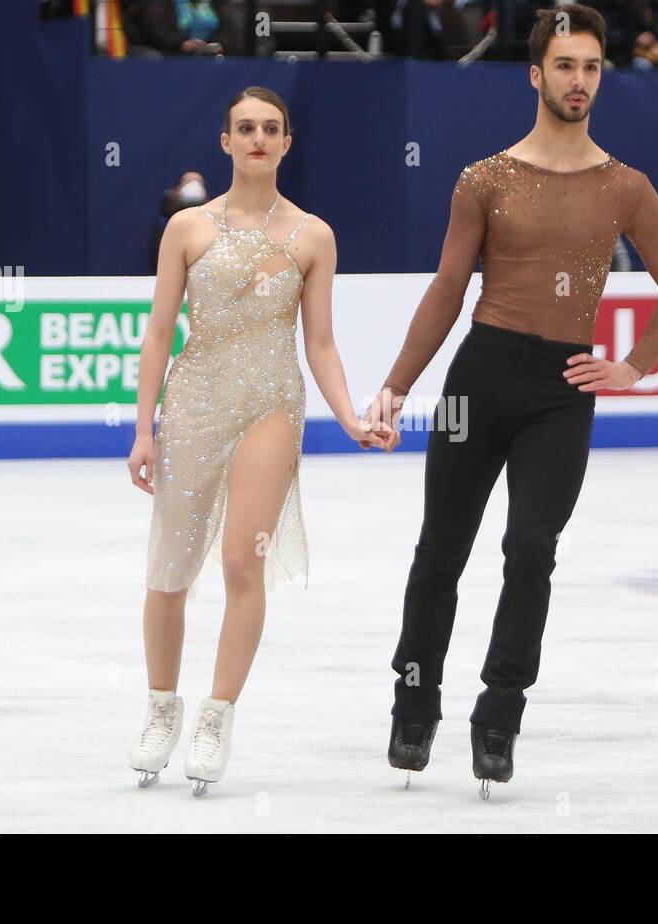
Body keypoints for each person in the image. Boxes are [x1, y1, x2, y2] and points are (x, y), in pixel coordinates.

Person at [368, 4, 658, 797]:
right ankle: (414, 700)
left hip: (563, 389)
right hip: (478, 377)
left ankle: (500, 712)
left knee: (531, 551)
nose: (579, 80)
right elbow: (449, 288)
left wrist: (635, 365)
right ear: (535, 75)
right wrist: (396, 385)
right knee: (439, 549)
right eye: (565, 66)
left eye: (590, 66)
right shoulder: (483, 179)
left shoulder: (625, 187)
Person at [126, 86, 391, 795]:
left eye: (270, 128)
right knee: (171, 568)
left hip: (272, 405)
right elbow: (158, 334)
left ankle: (216, 715)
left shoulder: (312, 236)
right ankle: (161, 708)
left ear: (286, 142)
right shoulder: (186, 228)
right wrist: (143, 428)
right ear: (224, 142)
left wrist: (349, 416)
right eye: (245, 128)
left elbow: (323, 343)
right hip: (192, 405)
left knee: (244, 561)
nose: (257, 139)